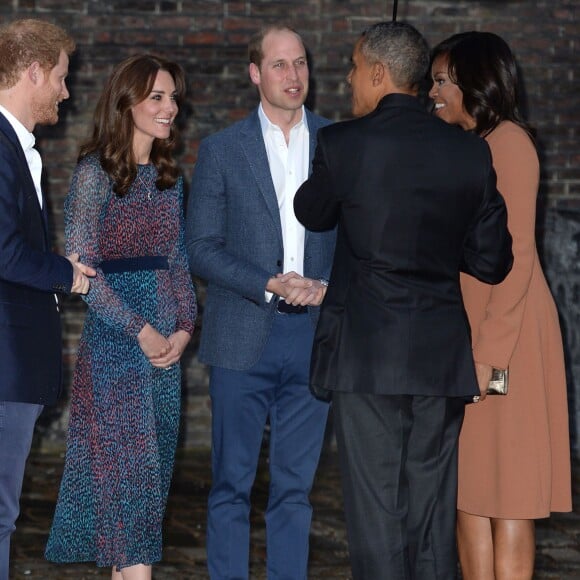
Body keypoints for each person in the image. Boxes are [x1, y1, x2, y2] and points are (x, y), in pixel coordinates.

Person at [294, 21, 514, 580]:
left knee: (377, 515)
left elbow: (310, 212)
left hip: (368, 355)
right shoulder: (469, 152)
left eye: (351, 67)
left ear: (377, 73)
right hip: (440, 357)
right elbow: (493, 260)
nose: (347, 79)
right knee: (432, 512)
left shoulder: (345, 143)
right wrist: (437, 249)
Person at [186, 24, 335, 579]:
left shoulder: (336, 143)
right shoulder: (222, 150)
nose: (293, 76)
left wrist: (327, 287)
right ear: (255, 73)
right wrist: (268, 281)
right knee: (230, 485)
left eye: (300, 63)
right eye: (279, 65)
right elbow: (199, 248)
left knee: (296, 490)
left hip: (313, 335)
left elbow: (359, 239)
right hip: (242, 332)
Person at [44, 54, 197, 580]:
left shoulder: (171, 179)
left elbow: (178, 259)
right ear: (126, 102)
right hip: (114, 353)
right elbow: (84, 271)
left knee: (139, 505)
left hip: (163, 358)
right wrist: (143, 330)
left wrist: (183, 328)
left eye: (173, 97)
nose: (170, 107)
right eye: (157, 97)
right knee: (129, 501)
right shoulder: (95, 175)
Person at [429, 31, 572, 580]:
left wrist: (487, 356)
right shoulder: (464, 145)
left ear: (473, 80)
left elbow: (518, 258)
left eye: (442, 80)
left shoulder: (509, 143)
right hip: (466, 332)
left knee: (508, 489)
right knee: (469, 484)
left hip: (505, 332)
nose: (433, 92)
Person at [0, 18, 96, 580]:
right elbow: (5, 252)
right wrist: (69, 275)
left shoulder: (16, 147)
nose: (65, 89)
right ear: (33, 71)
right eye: (60, 77)